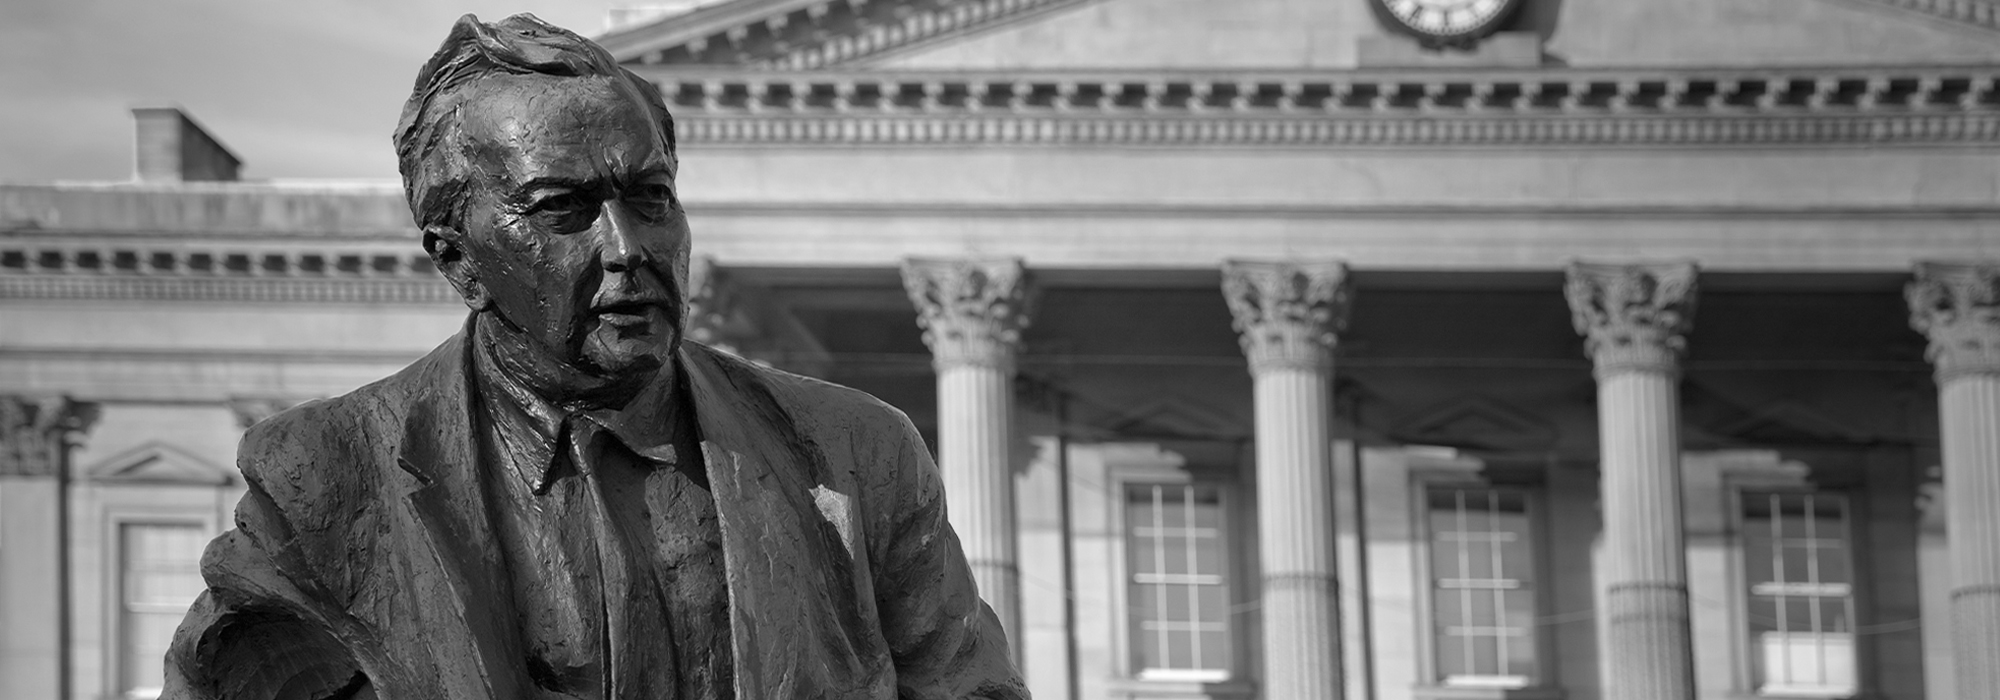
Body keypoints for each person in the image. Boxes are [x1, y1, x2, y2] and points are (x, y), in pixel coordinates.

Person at [162, 13, 1025, 700]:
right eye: (562, 209)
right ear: (459, 260)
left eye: (651, 197)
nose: (628, 247)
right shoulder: (325, 479)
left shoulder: (857, 454)